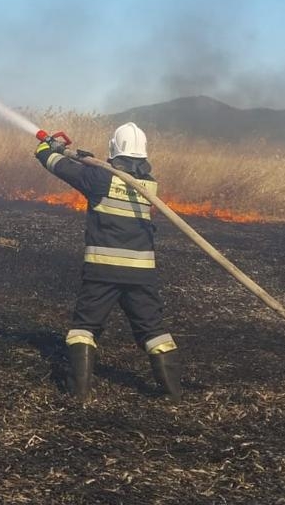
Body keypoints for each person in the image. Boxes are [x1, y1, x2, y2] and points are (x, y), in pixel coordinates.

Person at [35, 122, 182, 403]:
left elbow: (60, 167)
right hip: (141, 272)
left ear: (114, 149)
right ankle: (172, 394)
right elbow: (103, 174)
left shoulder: (99, 179)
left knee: (84, 329)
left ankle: (79, 393)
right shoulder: (149, 184)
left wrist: (46, 148)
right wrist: (90, 161)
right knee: (153, 330)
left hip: (103, 269)